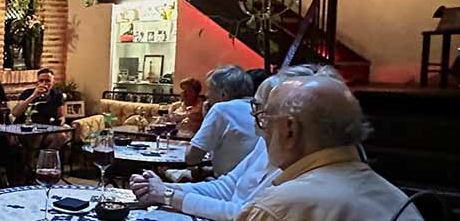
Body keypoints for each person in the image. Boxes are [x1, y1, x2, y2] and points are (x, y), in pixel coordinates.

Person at [131, 65, 328, 221]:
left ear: (290, 123)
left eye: (259, 107)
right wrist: (162, 189)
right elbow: (227, 187)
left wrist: (166, 194)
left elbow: (243, 213)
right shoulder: (265, 143)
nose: (252, 115)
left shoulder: (303, 163)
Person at [237, 74, 424, 221]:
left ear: (290, 130)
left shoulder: (277, 208)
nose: (264, 130)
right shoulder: (395, 197)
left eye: (265, 119)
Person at [185, 65, 257, 175]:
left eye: (209, 90)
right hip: (254, 181)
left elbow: (191, 158)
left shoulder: (221, 109)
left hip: (230, 184)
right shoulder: (259, 108)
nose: (207, 95)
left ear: (223, 94)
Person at [11, 68, 70, 150]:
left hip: (46, 129)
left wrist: (60, 122)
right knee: (36, 138)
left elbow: (61, 116)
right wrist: (34, 96)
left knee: (62, 137)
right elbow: (15, 113)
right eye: (41, 81)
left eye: (47, 81)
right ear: (37, 82)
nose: (44, 83)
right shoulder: (27, 93)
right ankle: (33, 159)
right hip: (26, 129)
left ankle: (43, 159)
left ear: (52, 82)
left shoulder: (57, 95)